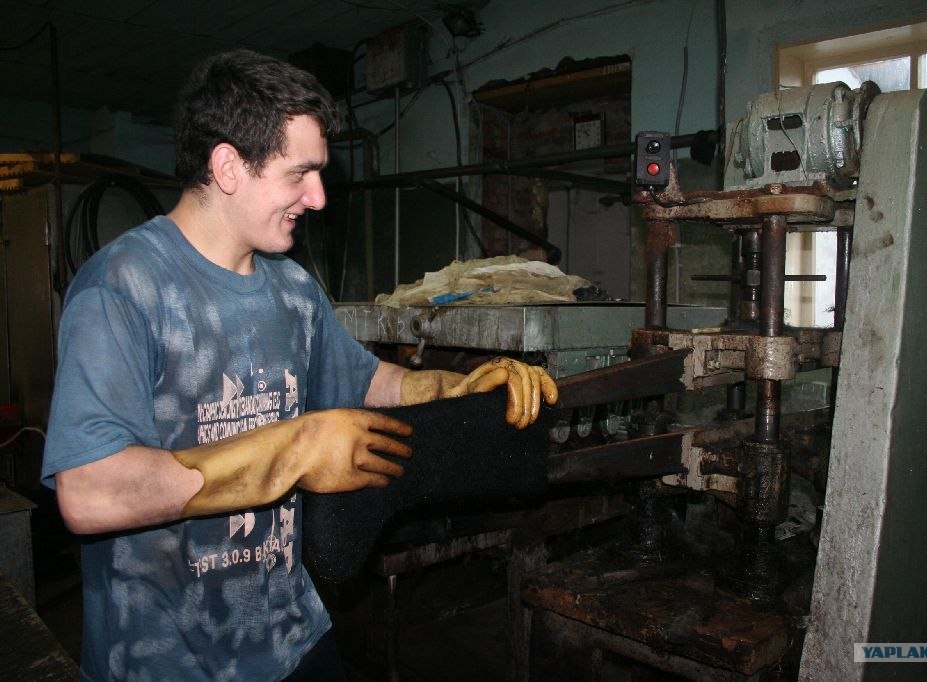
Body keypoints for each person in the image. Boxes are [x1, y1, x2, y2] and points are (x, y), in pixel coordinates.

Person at [41, 48, 558, 681]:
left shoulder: (291, 288)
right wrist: (296, 449)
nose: (317, 197)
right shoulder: (123, 288)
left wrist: (460, 387)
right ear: (228, 167)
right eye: (300, 174)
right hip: (168, 661)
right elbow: (90, 492)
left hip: (294, 638)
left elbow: (371, 382)